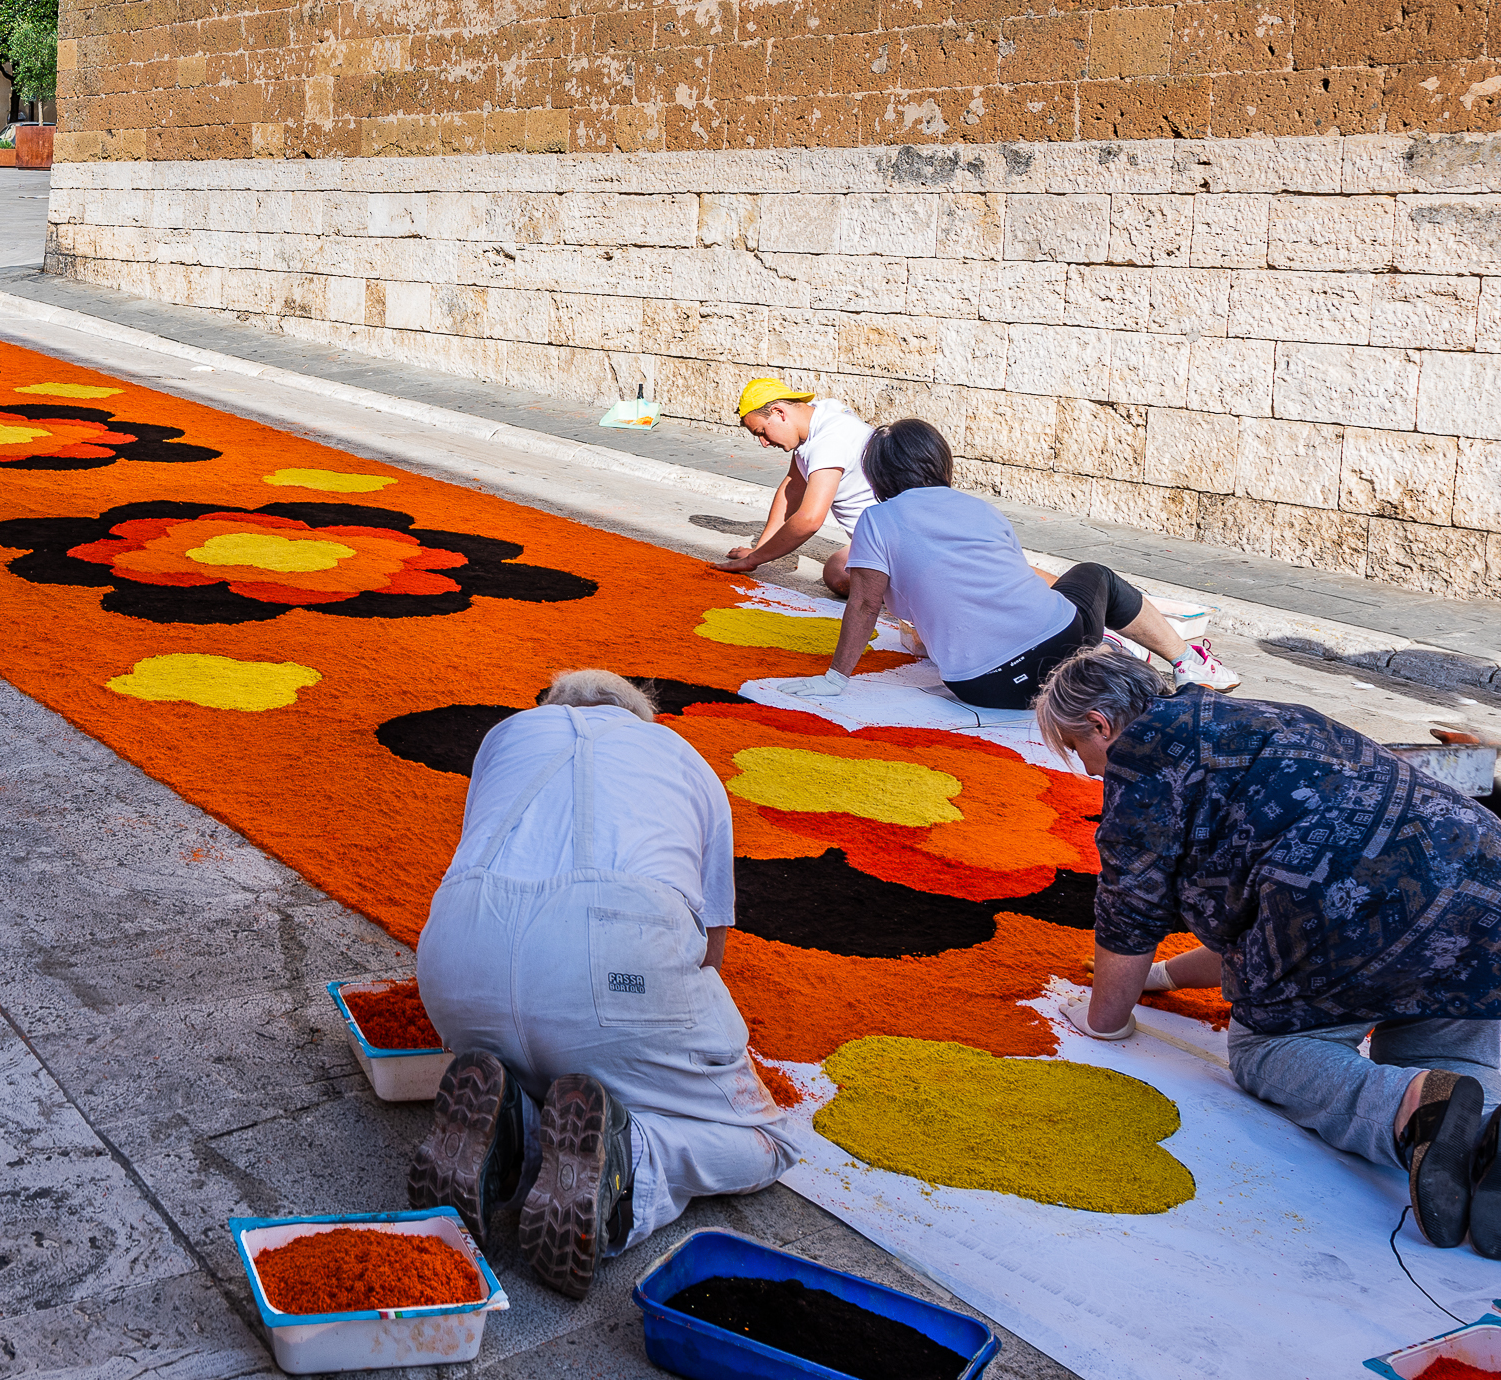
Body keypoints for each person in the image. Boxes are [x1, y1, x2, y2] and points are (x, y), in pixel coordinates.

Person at [1038, 650, 1501, 1260]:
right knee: (1436, 1051)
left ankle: (1410, 1108)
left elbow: (1130, 911)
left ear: (1101, 725)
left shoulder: (1145, 760)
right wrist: (1167, 977)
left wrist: (1104, 1019)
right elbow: (1256, 934)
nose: (1090, 769)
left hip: (1359, 896)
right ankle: (1491, 1124)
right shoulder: (1252, 715)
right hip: (1496, 882)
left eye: (1077, 750)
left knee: (1267, 1049)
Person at [410, 670, 798, 1299]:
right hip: (616, 954)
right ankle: (632, 1160)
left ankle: (520, 1134)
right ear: (642, 716)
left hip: (459, 959)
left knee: (559, 1059)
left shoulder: (505, 736)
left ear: (547, 705)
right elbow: (711, 952)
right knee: (765, 1142)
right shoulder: (681, 755)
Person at [779, 419, 1235, 707]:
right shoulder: (978, 508)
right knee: (1096, 577)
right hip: (1060, 655)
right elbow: (1008, 583)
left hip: (982, 688)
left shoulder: (877, 520)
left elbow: (864, 605)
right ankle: (1187, 662)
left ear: (877, 475)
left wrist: (836, 679)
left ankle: (1125, 652)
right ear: (939, 462)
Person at [713, 378, 878, 596]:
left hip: (896, 541)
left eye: (761, 432)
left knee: (837, 575)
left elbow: (809, 520)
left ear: (779, 412)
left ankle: (914, 586)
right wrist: (760, 550)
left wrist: (754, 559)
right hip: (883, 537)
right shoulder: (820, 414)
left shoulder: (829, 441)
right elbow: (792, 487)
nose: (764, 443)